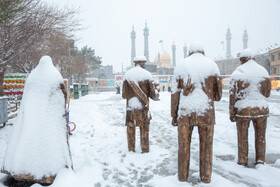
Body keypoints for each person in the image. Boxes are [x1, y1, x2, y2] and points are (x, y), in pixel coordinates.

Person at [1, 56, 72, 185]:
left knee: (24, 141)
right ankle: (47, 173)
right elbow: (61, 98)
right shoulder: (55, 77)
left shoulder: (31, 78)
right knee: (48, 145)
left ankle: (20, 168)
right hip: (49, 120)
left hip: (29, 118)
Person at [171, 42, 222, 183]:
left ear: (190, 52)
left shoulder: (181, 66)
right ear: (203, 52)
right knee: (206, 146)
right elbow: (218, 96)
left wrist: (174, 115)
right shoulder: (212, 66)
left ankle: (182, 176)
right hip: (206, 112)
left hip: (185, 112)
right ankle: (206, 176)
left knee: (183, 147)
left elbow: (175, 94)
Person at [229, 48, 271, 166]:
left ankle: (243, 160)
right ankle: (260, 160)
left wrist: (232, 113)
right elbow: (267, 94)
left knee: (242, 137)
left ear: (242, 60)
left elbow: (233, 96)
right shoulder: (263, 72)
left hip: (243, 110)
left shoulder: (238, 73)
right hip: (261, 109)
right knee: (260, 137)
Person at [122, 56, 159, 153]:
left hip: (131, 108)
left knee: (131, 129)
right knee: (144, 130)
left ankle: (131, 149)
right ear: (143, 64)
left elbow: (124, 95)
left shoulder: (127, 76)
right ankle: (145, 149)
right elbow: (153, 96)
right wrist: (156, 91)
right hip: (143, 109)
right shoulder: (147, 75)